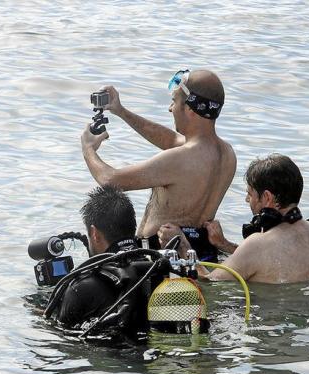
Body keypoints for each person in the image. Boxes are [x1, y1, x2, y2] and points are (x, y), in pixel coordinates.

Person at [80, 69, 237, 262]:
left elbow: (110, 180)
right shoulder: (227, 154)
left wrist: (88, 149)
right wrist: (121, 111)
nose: (170, 108)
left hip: (162, 256)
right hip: (201, 253)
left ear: (190, 109)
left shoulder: (180, 159)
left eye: (174, 101)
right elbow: (170, 139)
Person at [159, 154, 309, 283]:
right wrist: (224, 245)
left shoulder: (257, 245)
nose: (247, 200)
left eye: (250, 194)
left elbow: (209, 284)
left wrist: (183, 246)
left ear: (267, 197)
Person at [48, 185, 167, 338]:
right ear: (132, 225)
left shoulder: (81, 288)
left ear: (94, 233)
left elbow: (61, 340)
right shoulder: (160, 270)